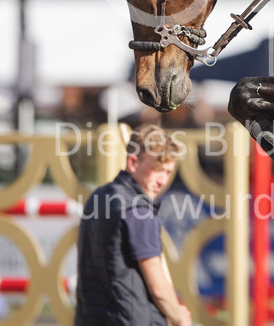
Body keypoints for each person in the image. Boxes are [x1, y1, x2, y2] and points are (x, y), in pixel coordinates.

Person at [75, 124, 191, 326]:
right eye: (158, 170)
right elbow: (158, 288)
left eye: (168, 171)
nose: (163, 180)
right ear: (133, 162)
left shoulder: (97, 196)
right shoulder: (139, 211)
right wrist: (179, 317)